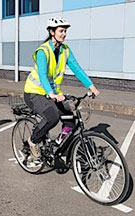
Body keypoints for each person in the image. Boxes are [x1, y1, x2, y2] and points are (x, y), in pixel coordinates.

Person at [24, 17, 100, 158]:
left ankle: (58, 146)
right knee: (52, 117)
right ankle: (33, 141)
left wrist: (91, 86)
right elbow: (42, 75)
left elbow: (77, 69)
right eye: (61, 31)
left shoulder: (65, 50)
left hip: (53, 93)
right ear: (52, 32)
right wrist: (51, 94)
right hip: (34, 93)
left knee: (71, 120)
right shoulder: (43, 51)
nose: (64, 34)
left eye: (65, 31)